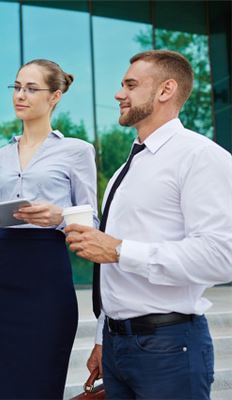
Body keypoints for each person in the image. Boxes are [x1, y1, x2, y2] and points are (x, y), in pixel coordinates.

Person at [65, 50, 232, 399]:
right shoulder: (125, 171)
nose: (118, 94)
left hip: (169, 347)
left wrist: (120, 251)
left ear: (166, 90)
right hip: (117, 345)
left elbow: (221, 256)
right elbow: (114, 273)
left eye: (130, 84)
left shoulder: (201, 157)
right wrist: (102, 339)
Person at [0, 59, 98, 399]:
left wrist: (59, 217)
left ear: (54, 97)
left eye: (31, 88)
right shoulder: (2, 154)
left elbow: (92, 223)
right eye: (17, 87)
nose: (20, 95)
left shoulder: (77, 151)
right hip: (4, 269)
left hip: (47, 272)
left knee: (40, 378)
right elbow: (4, 216)